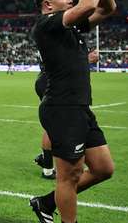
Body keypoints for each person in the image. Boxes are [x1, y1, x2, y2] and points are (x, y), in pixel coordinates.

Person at [29, 0, 117, 223]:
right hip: (61, 108)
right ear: (48, 5)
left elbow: (107, 7)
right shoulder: (47, 25)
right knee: (70, 174)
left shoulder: (73, 30)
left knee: (104, 168)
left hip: (80, 107)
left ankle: (47, 203)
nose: (70, 0)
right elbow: (88, 5)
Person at [33, 49, 99, 180]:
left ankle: (46, 162)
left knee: (56, 124)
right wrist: (86, 60)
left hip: (50, 80)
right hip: (53, 80)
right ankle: (52, 164)